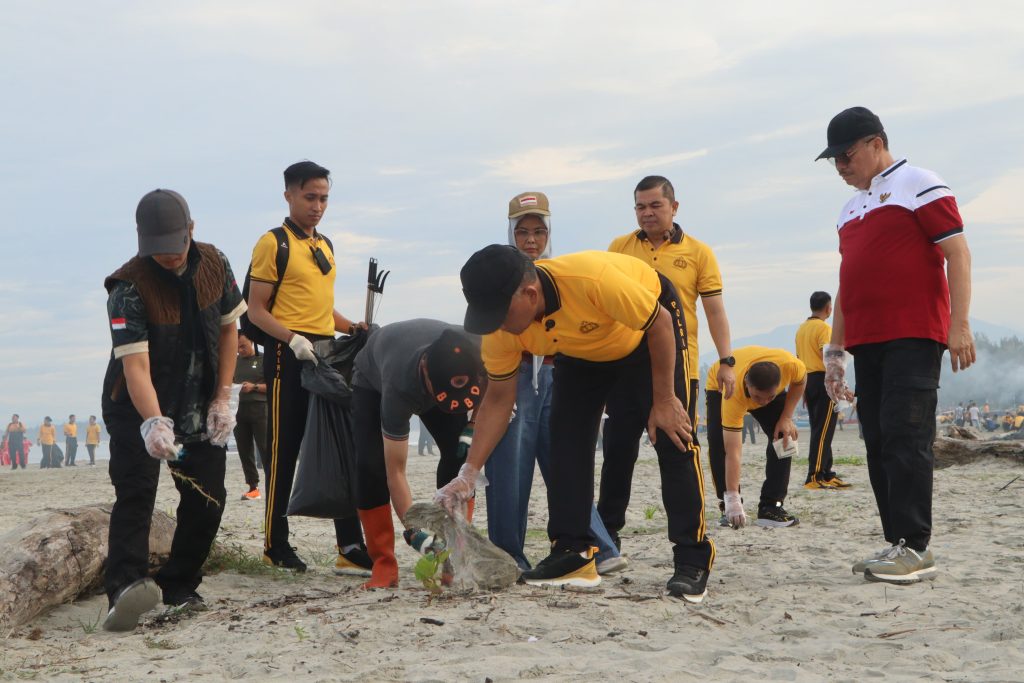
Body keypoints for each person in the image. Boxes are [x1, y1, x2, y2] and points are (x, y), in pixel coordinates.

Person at [438, 245, 714, 603]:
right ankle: (573, 553)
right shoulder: (502, 330)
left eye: (498, 313)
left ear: (530, 293)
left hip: (647, 336)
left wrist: (663, 400)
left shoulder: (593, 281)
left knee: (671, 435)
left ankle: (692, 558)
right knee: (566, 440)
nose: (496, 325)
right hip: (582, 352)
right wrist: (469, 473)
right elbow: (499, 400)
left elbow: (659, 324)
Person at [816, 106, 975, 584]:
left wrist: (959, 324)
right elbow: (848, 284)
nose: (840, 166)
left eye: (846, 155)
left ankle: (917, 547)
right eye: (833, 160)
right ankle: (897, 543)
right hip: (867, 341)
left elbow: (958, 254)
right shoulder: (849, 209)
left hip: (914, 332)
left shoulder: (919, 183)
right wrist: (835, 355)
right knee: (879, 441)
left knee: (906, 437)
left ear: (876, 143)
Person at [100, 188, 244, 631]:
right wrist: (152, 421)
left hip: (199, 402)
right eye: (157, 249)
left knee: (207, 499)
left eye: (175, 246)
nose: (167, 257)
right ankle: (124, 587)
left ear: (191, 231)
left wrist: (223, 396)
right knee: (137, 494)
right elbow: (136, 365)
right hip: (135, 409)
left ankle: (180, 583)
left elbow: (227, 331)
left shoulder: (216, 263)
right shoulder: (127, 287)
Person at [484, 192, 625, 574]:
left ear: (549, 234)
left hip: (557, 371)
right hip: (514, 373)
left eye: (539, 232)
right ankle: (509, 554)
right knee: (509, 462)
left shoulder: (560, 270)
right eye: (523, 232)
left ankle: (599, 546)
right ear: (511, 233)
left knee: (565, 458)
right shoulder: (499, 274)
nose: (531, 240)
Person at [245, 160, 370, 574]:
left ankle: (350, 547)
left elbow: (321, 307)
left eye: (324, 198)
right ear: (289, 195)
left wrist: (352, 326)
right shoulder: (272, 243)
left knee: (340, 444)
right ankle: (274, 545)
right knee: (285, 450)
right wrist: (291, 339)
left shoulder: (326, 245)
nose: (318, 206)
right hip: (287, 357)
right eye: (310, 197)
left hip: (326, 352)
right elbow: (256, 311)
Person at [602, 176, 735, 548]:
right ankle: (607, 534)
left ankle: (689, 541)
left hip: (679, 368)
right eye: (640, 207)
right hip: (625, 364)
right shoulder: (619, 247)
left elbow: (714, 311)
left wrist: (726, 360)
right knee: (617, 451)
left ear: (674, 207)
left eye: (655, 205)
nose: (647, 213)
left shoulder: (698, 252)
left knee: (677, 451)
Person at [351, 319, 484, 588]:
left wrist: (471, 426)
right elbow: (395, 472)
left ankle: (453, 557)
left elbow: (492, 389)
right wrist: (415, 531)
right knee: (369, 467)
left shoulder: (476, 350)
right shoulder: (398, 388)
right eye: (441, 397)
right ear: (425, 374)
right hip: (372, 379)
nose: (444, 404)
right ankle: (384, 564)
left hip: (439, 368)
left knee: (459, 455)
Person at [706, 346, 806, 529]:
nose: (762, 403)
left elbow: (800, 381)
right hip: (720, 385)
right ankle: (727, 507)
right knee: (718, 444)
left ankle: (771, 507)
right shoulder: (733, 394)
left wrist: (786, 418)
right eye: (757, 397)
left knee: (784, 436)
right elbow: (733, 451)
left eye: (770, 397)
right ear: (747, 384)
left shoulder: (791, 366)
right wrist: (733, 497)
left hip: (765, 380)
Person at [795, 291, 850, 489]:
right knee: (823, 429)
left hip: (807, 380)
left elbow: (799, 358)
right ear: (829, 308)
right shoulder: (823, 328)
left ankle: (826, 472)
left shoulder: (802, 329)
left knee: (822, 428)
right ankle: (814, 475)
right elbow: (827, 358)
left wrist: (801, 388)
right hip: (822, 380)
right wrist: (840, 386)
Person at [232, 331, 266, 501]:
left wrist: (254, 387)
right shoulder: (234, 362)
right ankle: (253, 487)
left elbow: (275, 385)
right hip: (239, 411)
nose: (240, 350)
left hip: (260, 410)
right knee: (244, 450)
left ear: (251, 341)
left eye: (243, 346)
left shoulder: (264, 359)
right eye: (237, 347)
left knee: (266, 449)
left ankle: (276, 485)